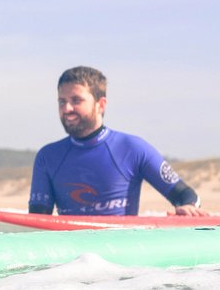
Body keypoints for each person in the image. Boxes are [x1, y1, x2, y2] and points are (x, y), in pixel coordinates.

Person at [29, 66, 208, 217]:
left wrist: (188, 207)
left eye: (76, 100)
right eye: (62, 102)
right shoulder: (48, 156)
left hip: (118, 256)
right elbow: (37, 222)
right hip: (74, 258)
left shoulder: (133, 149)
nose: (67, 108)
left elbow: (185, 194)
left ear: (101, 104)